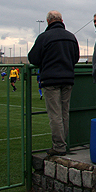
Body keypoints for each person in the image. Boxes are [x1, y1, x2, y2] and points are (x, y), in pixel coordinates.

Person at [28, 10, 80, 156]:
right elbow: (76, 57)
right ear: (61, 21)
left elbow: (33, 58)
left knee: (55, 114)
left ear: (48, 21)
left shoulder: (44, 37)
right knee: (64, 112)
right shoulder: (71, 36)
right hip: (68, 79)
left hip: (50, 80)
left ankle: (59, 146)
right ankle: (63, 143)